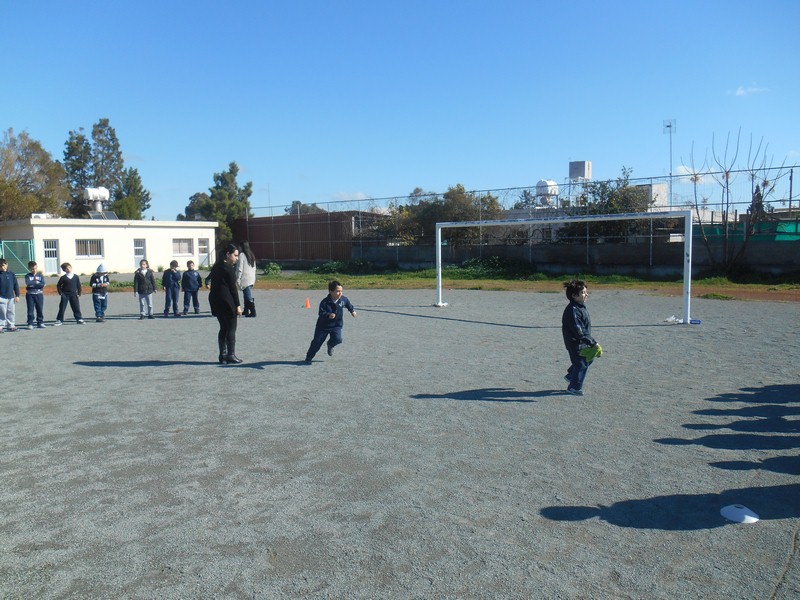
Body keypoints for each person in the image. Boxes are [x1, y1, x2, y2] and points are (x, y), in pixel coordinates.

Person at [561, 279, 601, 396]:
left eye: (586, 292)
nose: (586, 294)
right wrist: (592, 342)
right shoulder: (572, 310)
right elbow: (579, 331)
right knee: (581, 363)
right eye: (583, 292)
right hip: (575, 343)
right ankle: (573, 387)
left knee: (589, 357)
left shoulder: (580, 307)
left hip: (582, 342)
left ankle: (571, 376)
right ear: (574, 295)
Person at [304, 280, 357, 363]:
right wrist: (328, 315)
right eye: (337, 291)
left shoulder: (343, 299)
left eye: (341, 291)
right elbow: (321, 313)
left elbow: (348, 304)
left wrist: (352, 311)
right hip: (323, 326)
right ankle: (309, 357)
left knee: (338, 339)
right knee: (317, 342)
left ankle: (330, 344)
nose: (340, 293)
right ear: (331, 291)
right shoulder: (324, 302)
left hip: (336, 325)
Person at [208, 243, 243, 364]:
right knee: (231, 329)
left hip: (215, 300)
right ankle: (231, 355)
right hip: (227, 301)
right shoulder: (228, 267)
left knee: (223, 327)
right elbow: (233, 289)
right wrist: (238, 305)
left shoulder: (216, 266)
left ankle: (222, 355)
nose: (237, 258)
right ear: (228, 254)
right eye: (235, 255)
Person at [236, 240, 257, 317]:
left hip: (245, 278)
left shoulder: (242, 255)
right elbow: (254, 268)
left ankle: (253, 311)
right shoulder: (251, 255)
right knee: (246, 294)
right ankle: (246, 310)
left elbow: (239, 269)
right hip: (251, 277)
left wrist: (237, 279)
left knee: (248, 295)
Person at [0, 258, 20, 333]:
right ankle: (1, 326)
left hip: (11, 297)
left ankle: (11, 325)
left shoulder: (11, 274)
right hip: (1, 297)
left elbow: (16, 285)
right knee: (2, 312)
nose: (3, 267)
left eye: (4, 265)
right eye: (1, 266)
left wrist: (17, 295)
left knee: (11, 312)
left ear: (7, 264)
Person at [24, 260, 45, 329]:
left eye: (35, 268)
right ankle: (30, 323)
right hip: (30, 295)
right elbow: (28, 284)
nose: (34, 270)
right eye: (32, 269)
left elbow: (42, 284)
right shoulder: (27, 276)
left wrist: (34, 284)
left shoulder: (40, 275)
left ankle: (40, 322)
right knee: (30, 309)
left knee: (39, 308)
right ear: (29, 269)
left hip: (39, 294)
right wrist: (37, 284)